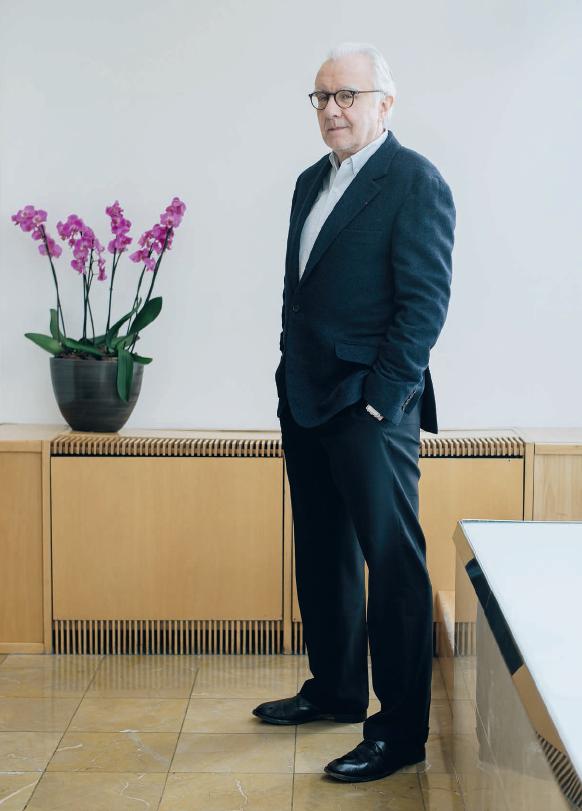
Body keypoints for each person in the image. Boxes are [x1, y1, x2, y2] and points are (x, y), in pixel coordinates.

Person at [253, 41, 456, 783]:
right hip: (306, 400)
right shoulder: (311, 181)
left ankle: (399, 733)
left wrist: (381, 399)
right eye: (322, 97)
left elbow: (424, 305)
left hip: (371, 406)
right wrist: (287, 370)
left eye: (347, 95)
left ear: (384, 104)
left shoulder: (415, 181)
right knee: (323, 552)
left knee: (393, 563)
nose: (332, 109)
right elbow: (299, 293)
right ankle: (336, 689)